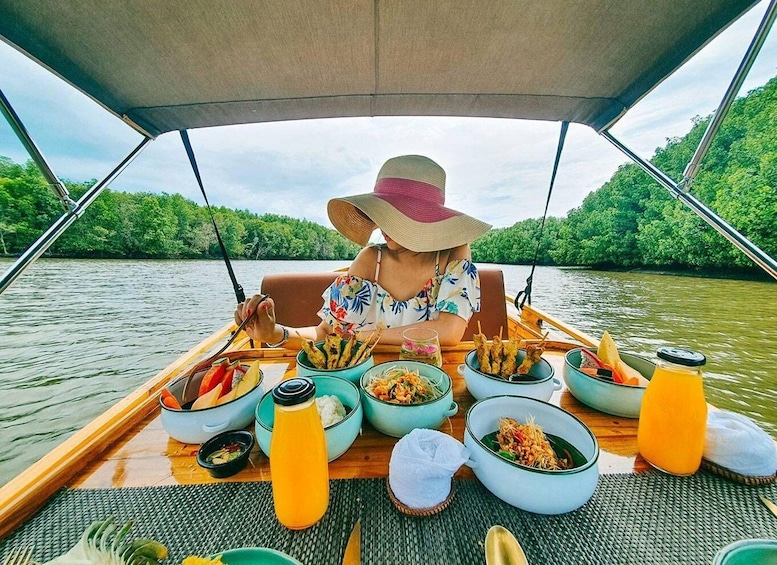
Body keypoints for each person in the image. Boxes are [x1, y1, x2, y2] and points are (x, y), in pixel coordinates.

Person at [235, 154, 492, 347]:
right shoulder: (371, 259)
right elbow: (325, 333)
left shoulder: (453, 253)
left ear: (428, 219)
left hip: (432, 384)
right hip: (367, 385)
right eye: (383, 213)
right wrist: (274, 334)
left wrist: (363, 337)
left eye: (398, 216)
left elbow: (449, 333)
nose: (384, 226)